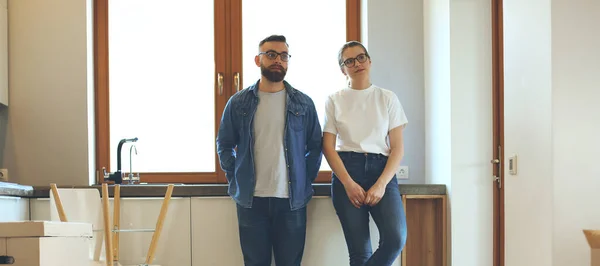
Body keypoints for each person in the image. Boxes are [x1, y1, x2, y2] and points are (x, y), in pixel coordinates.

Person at [216, 34, 323, 266]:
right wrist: (236, 175)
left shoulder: (303, 103)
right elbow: (224, 144)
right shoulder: (238, 102)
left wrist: (305, 179)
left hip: (291, 201)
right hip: (251, 201)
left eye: (284, 56)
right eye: (271, 54)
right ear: (258, 60)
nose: (278, 60)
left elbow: (316, 147)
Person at [322, 40, 408, 266]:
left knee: (395, 238)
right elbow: (328, 147)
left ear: (369, 60)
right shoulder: (334, 100)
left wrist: (381, 184)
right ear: (343, 69)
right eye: (349, 61)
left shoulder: (387, 98)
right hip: (347, 171)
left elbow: (397, 148)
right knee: (359, 253)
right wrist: (348, 183)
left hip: (382, 170)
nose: (357, 63)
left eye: (361, 57)